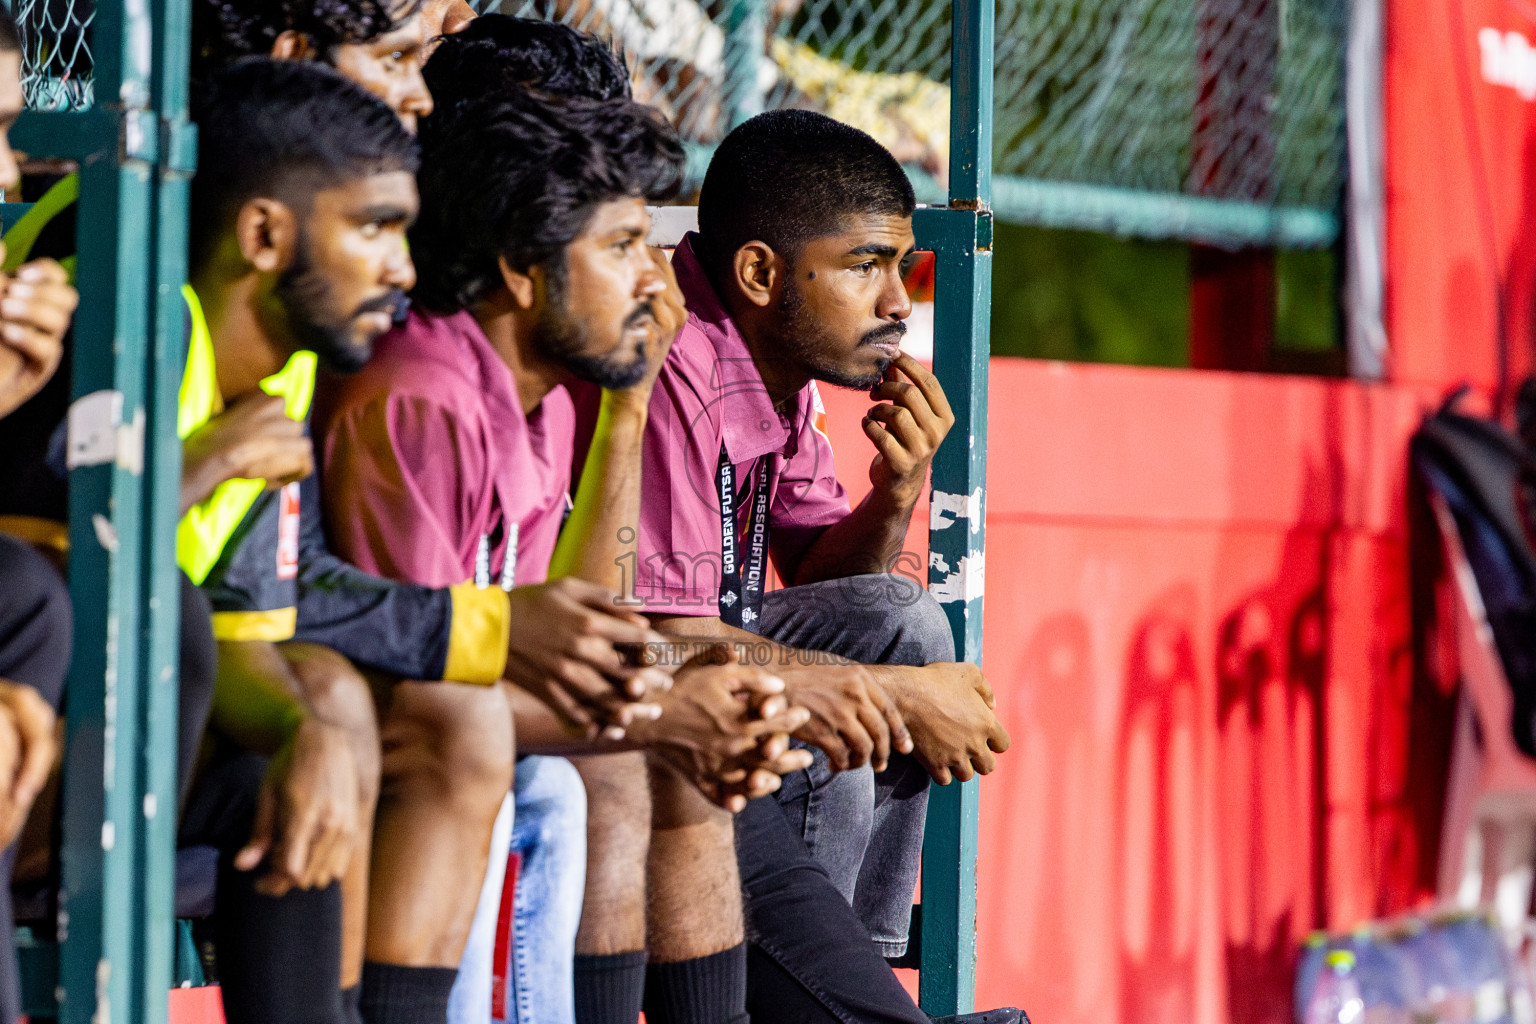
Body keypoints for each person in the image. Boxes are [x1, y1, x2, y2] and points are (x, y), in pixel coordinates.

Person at [318, 36, 810, 1023]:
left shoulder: (543, 396)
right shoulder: (424, 394)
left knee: (627, 754)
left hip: (454, 719)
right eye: (624, 247)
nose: (653, 281)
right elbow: (424, 682)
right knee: (573, 773)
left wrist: (625, 408)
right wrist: (666, 714)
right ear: (522, 268)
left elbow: (583, 623)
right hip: (356, 723)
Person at [616, 108, 1019, 1023]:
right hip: (630, 698)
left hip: (697, 671)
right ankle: (816, 985)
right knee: (863, 680)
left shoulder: (777, 361)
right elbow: (664, 645)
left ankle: (845, 959)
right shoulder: (683, 362)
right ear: (760, 272)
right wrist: (892, 698)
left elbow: (826, 582)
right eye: (865, 265)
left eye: (900, 265)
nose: (898, 303)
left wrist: (896, 490)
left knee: (900, 620)